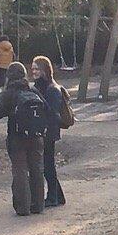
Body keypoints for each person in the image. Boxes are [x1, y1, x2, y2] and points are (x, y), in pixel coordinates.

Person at [0, 60, 54, 215]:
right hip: (36, 136)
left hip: (17, 136)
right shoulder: (32, 89)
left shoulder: (10, 93)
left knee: (20, 170)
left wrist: (11, 111)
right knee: (37, 169)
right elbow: (46, 109)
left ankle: (23, 207)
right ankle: (38, 205)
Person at [30, 54, 74, 207]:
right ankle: (58, 196)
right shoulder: (40, 86)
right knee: (47, 165)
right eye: (32, 69)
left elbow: (52, 113)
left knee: (48, 166)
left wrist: (38, 97)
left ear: (44, 70)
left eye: (37, 69)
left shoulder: (52, 89)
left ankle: (53, 197)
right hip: (44, 130)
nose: (34, 72)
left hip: (49, 131)